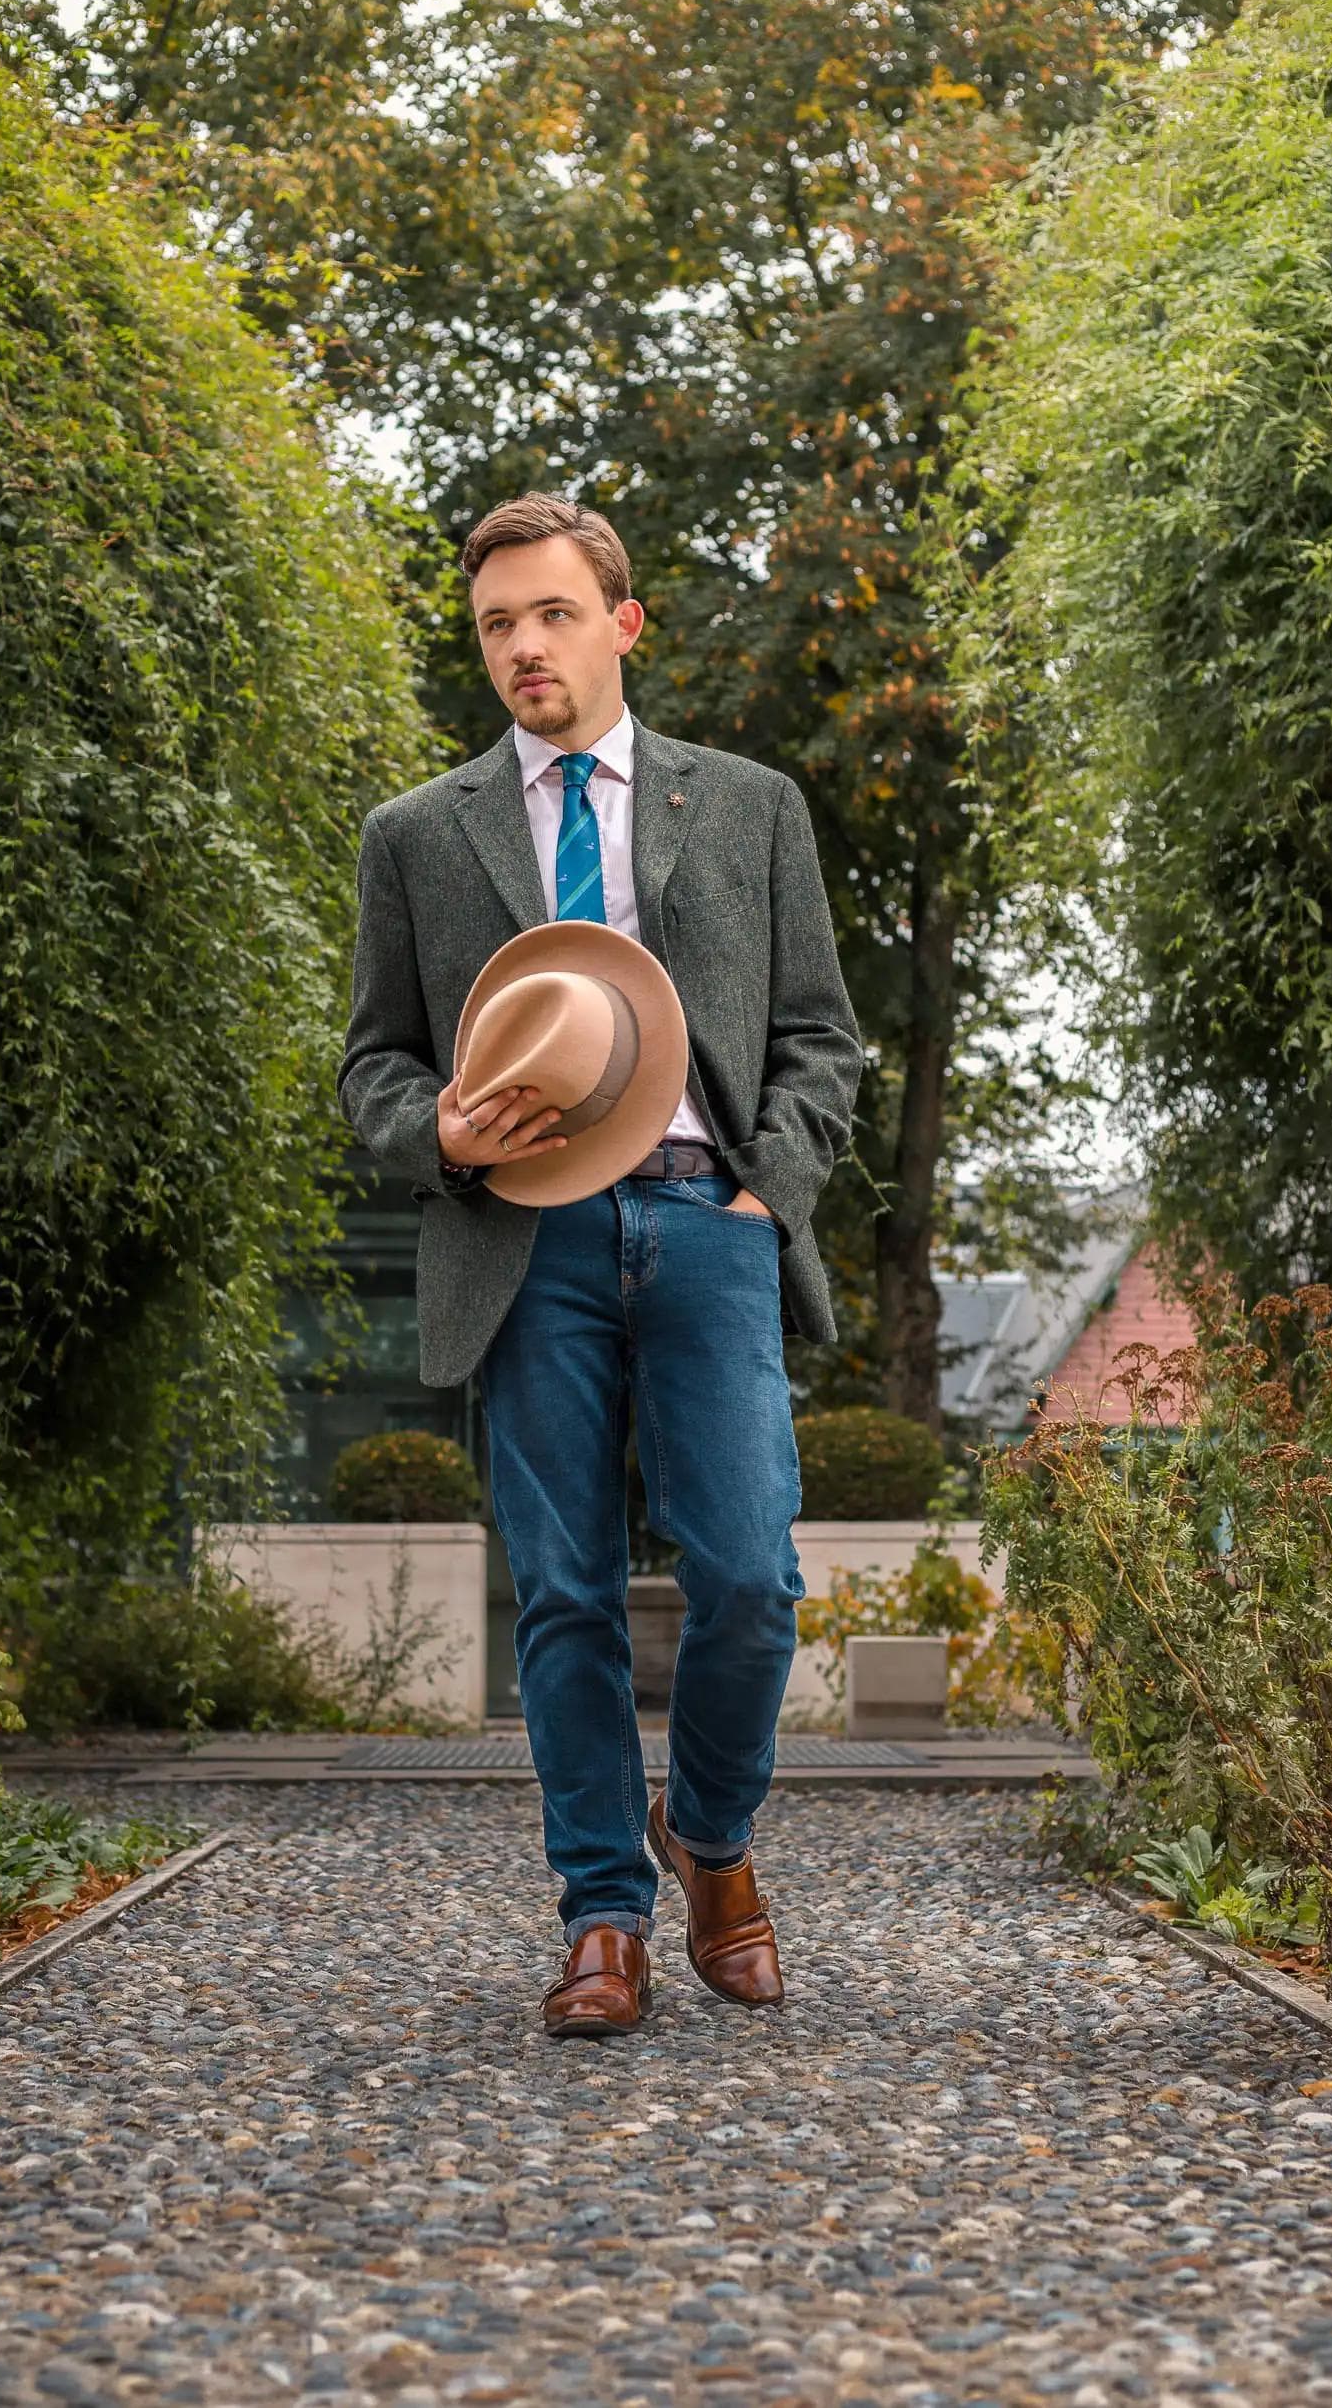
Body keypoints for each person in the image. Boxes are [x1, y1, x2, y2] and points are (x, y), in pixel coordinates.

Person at [336, 492, 864, 2035]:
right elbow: (369, 1065)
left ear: (623, 624)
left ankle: (707, 1834)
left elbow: (820, 1036)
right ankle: (601, 1918)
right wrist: (433, 1126)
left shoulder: (751, 807)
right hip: (524, 1242)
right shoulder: (419, 837)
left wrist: (777, 1187)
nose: (523, 647)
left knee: (751, 1577)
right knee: (562, 1596)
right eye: (498, 622)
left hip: (709, 1221)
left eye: (552, 614)